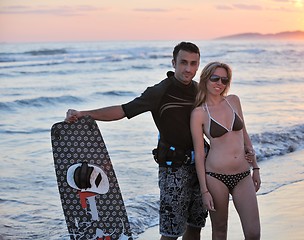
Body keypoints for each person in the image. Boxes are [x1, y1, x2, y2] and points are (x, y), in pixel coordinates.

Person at [65, 42, 208, 240]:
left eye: (193, 63)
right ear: (174, 62)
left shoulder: (200, 91)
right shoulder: (159, 92)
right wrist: (84, 114)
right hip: (174, 169)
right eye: (183, 62)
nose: (188, 68)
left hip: (202, 166)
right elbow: (123, 110)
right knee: (170, 233)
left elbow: (213, 124)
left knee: (195, 225)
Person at [190, 61, 261, 240]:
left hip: (243, 174)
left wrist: (256, 168)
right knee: (220, 231)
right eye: (215, 78)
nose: (219, 83)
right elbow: (199, 155)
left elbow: (245, 136)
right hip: (215, 178)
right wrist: (204, 191)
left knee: (253, 233)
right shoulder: (199, 113)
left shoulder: (233, 101)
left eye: (224, 80)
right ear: (205, 79)